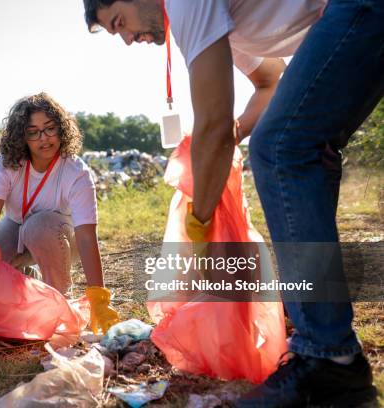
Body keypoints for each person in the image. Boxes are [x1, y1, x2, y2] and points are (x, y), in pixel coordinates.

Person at [82, 0, 383, 405]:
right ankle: (320, 328)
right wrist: (232, 140)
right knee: (300, 146)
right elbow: (270, 83)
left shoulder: (187, 5)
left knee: (280, 148)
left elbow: (214, 123)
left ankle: (329, 358)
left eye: (121, 23)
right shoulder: (224, 20)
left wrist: (201, 222)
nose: (129, 39)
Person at [0, 92, 120, 335]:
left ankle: (59, 303)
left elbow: (86, 236)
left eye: (50, 128)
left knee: (40, 226)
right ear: (22, 137)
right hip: (16, 227)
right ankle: (26, 281)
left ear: (62, 129)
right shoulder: (7, 164)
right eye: (33, 132)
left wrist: (99, 298)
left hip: (63, 239)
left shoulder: (76, 172)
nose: (44, 138)